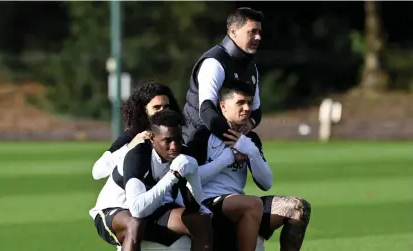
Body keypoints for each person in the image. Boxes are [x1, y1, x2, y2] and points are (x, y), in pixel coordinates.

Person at [187, 80, 312, 251]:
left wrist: (251, 151)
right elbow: (192, 179)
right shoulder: (202, 135)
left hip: (238, 202)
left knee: (298, 208)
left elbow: (266, 183)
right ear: (223, 106)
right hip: (208, 203)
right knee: (252, 204)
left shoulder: (250, 139)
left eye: (249, 103)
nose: (247, 108)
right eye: (240, 102)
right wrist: (228, 159)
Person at [89, 109, 213, 251]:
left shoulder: (183, 154)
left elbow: (194, 206)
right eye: (167, 140)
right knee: (135, 224)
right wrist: (173, 176)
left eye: (178, 140)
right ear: (153, 138)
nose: (174, 147)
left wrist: (193, 174)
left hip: (153, 210)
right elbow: (137, 210)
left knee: (201, 221)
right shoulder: (137, 156)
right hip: (115, 210)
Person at [183, 7, 264, 144]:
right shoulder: (214, 63)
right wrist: (234, 140)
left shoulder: (251, 67)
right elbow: (207, 111)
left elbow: (256, 110)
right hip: (198, 144)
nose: (258, 37)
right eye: (252, 32)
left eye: (259, 32)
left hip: (227, 143)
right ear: (233, 32)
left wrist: (248, 124)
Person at [92, 81, 183, 180]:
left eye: (166, 107)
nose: (163, 112)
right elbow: (97, 171)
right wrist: (130, 146)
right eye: (156, 108)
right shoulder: (132, 135)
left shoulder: (176, 133)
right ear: (144, 111)